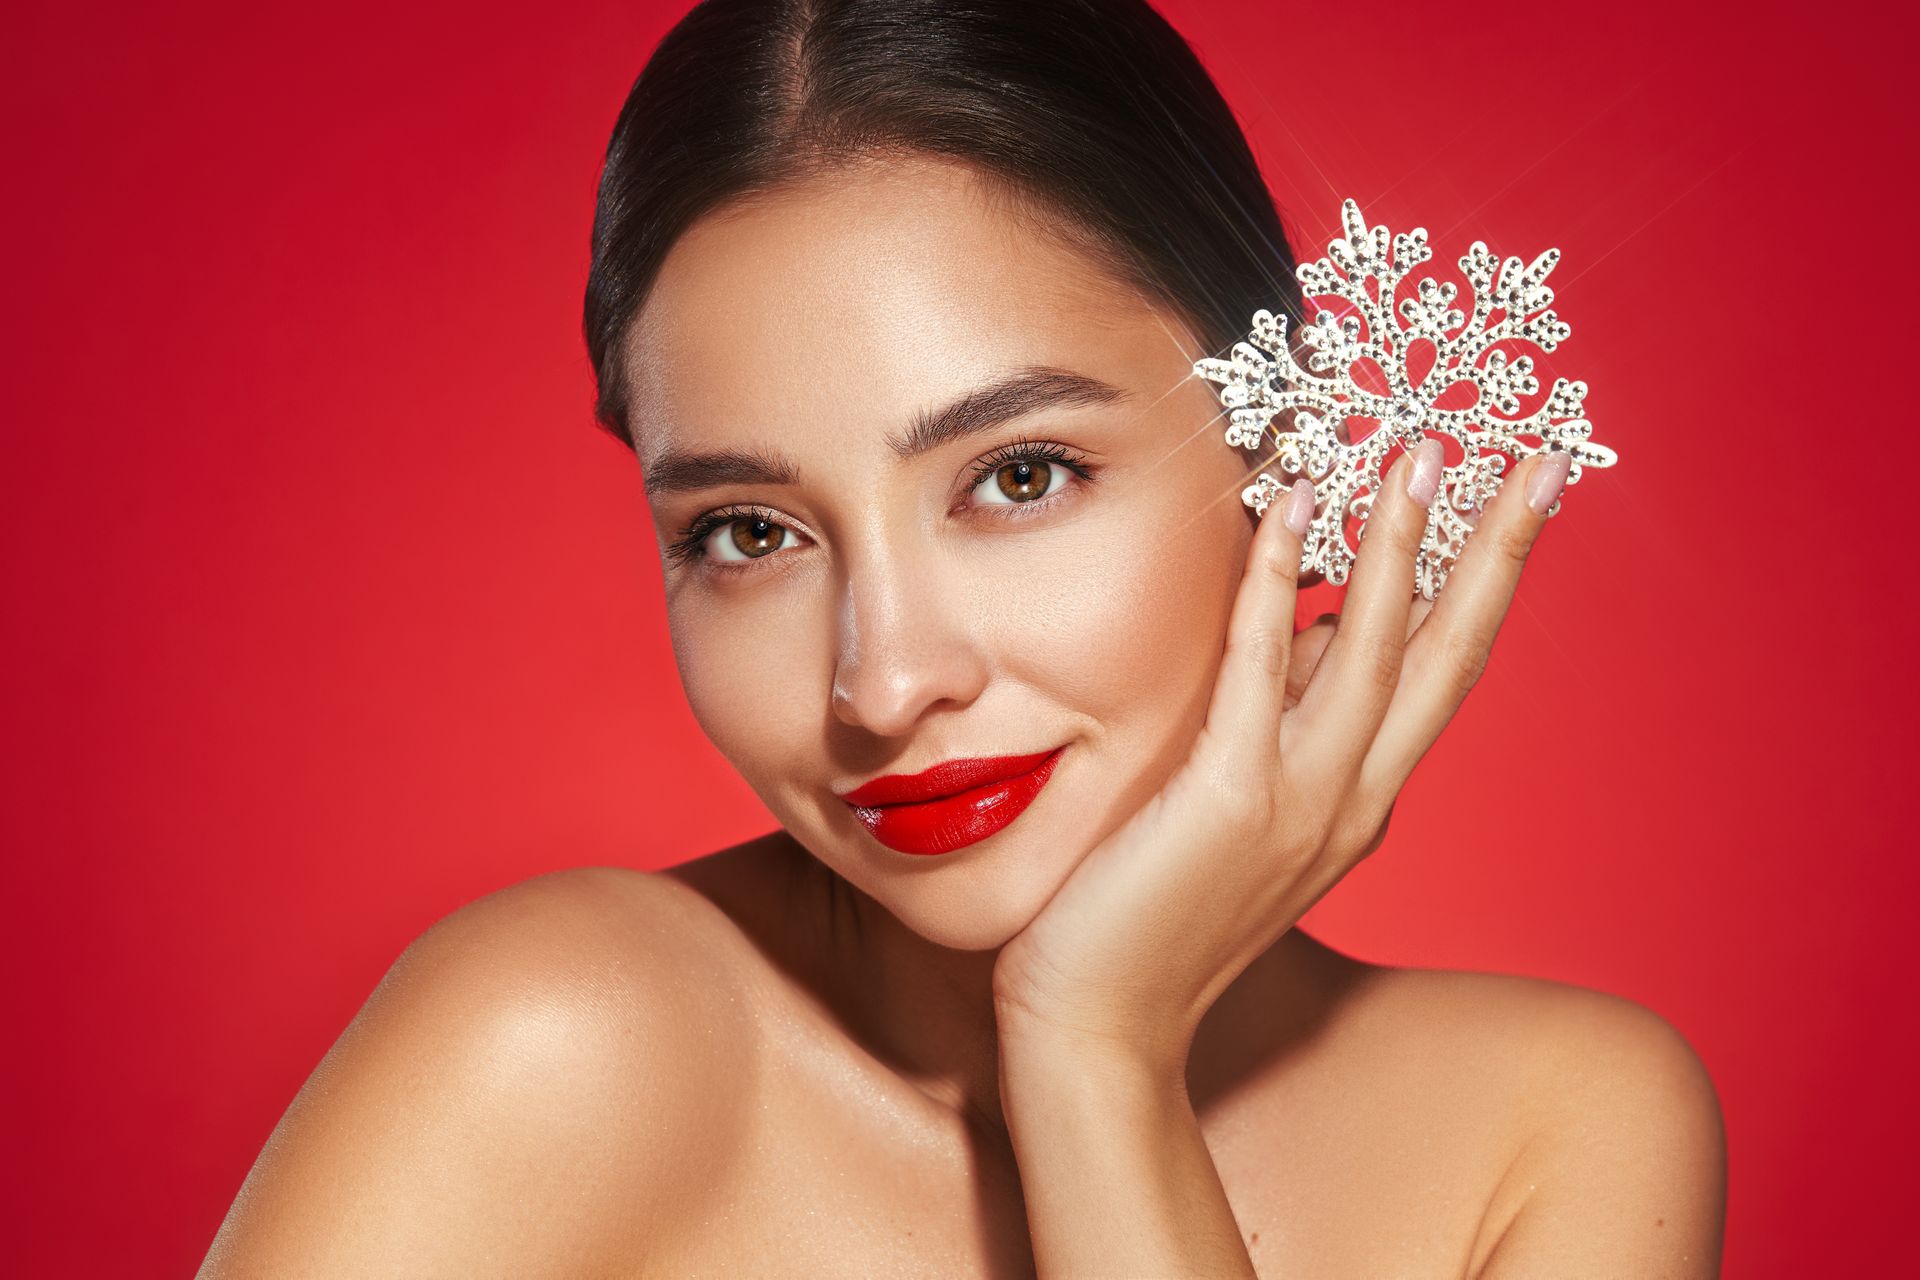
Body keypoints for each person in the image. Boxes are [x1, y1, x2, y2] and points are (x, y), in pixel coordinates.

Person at [200, 0, 1727, 1273]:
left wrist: (1093, 1051)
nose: (882, 682)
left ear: (1288, 446)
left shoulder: (1554, 1127)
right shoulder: (561, 1048)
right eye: (750, 532)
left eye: (1017, 476)